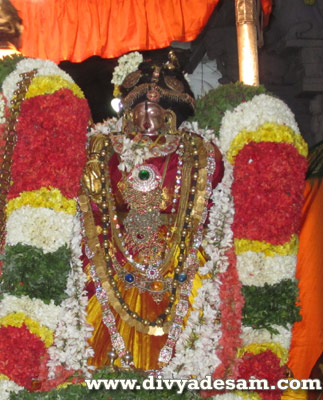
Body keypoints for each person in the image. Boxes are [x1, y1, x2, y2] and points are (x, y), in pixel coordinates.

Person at [80, 50, 223, 372]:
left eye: (156, 110)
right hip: (117, 250)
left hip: (175, 251)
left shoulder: (195, 150)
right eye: (141, 109)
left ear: (170, 114)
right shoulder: (105, 149)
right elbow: (92, 206)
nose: (148, 119)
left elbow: (207, 202)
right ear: (128, 113)